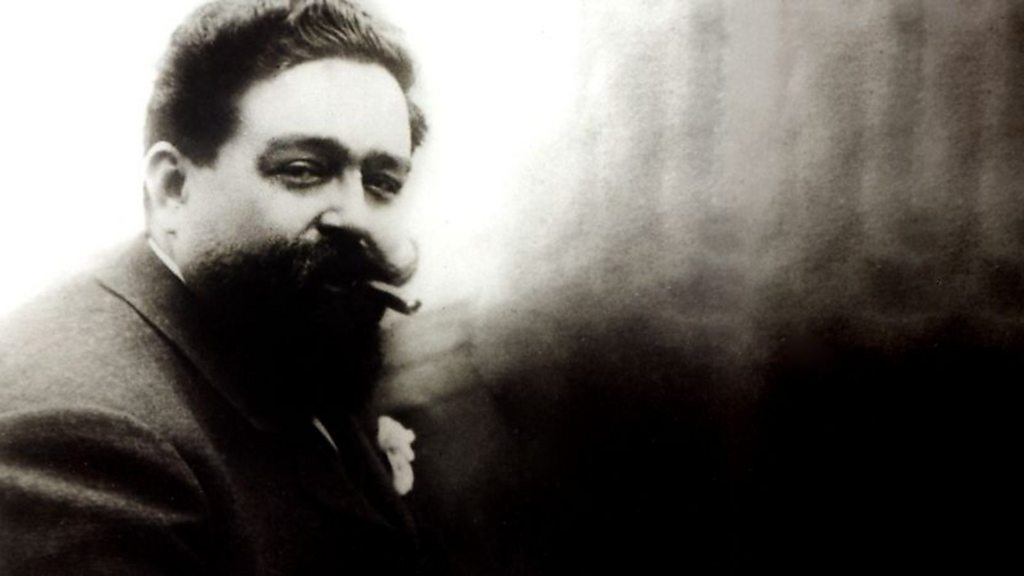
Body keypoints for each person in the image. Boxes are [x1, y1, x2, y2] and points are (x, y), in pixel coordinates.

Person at [0, 0, 437, 573]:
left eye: (381, 182)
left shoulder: (283, 326)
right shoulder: (82, 432)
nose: (355, 216)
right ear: (172, 188)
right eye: (302, 170)